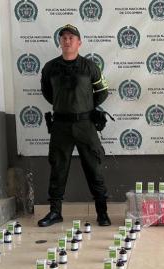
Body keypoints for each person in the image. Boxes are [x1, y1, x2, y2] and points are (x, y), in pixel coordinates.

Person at [38, 24, 111, 227]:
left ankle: (102, 213)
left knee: (94, 168)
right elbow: (47, 93)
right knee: (58, 169)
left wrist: (86, 106)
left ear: (79, 43)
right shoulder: (50, 68)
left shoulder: (90, 66)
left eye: (71, 37)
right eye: (64, 37)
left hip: (85, 125)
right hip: (60, 125)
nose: (67, 40)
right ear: (60, 42)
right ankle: (55, 212)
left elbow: (103, 91)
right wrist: (65, 106)